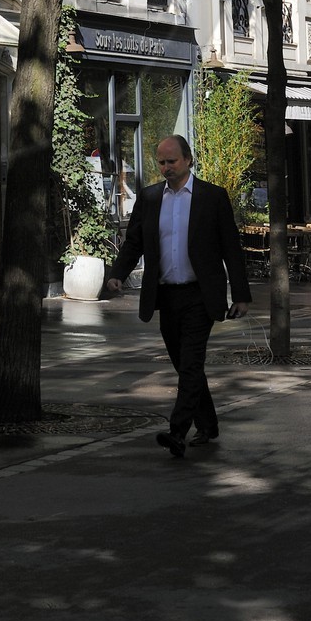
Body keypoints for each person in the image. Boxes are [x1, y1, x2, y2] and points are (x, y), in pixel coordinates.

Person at [107, 134, 251, 459]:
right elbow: (134, 243)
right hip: (166, 296)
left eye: (172, 161)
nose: (166, 167)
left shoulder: (212, 197)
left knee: (190, 365)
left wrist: (240, 294)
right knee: (185, 365)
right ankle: (209, 424)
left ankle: (177, 432)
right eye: (161, 162)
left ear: (187, 160)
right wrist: (116, 273)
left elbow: (231, 248)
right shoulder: (150, 198)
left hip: (200, 296)